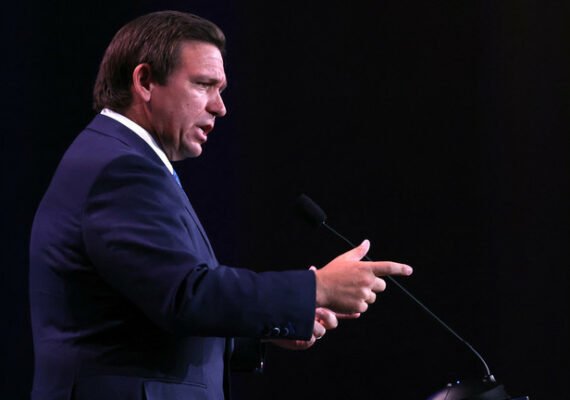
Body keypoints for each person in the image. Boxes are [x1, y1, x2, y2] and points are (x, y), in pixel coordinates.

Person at [28, 10, 413, 400]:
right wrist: (314, 288)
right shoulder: (121, 168)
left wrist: (271, 323)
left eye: (221, 89)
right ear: (144, 81)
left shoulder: (120, 158)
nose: (220, 107)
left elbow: (147, 313)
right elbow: (185, 296)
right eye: (203, 85)